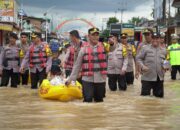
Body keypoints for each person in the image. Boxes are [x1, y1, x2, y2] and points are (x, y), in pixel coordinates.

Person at [66, 27, 107, 102]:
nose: (95, 37)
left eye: (97, 35)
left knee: (99, 101)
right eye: (93, 35)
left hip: (100, 79)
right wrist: (70, 79)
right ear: (88, 36)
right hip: (87, 79)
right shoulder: (83, 49)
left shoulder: (105, 47)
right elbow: (77, 65)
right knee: (87, 100)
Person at [136, 33, 168, 98]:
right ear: (151, 39)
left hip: (159, 78)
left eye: (157, 38)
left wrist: (166, 67)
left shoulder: (164, 50)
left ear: (160, 40)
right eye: (153, 38)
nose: (155, 40)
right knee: (145, 99)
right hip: (147, 78)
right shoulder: (145, 48)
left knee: (159, 99)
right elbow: (138, 58)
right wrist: (142, 66)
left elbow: (166, 61)